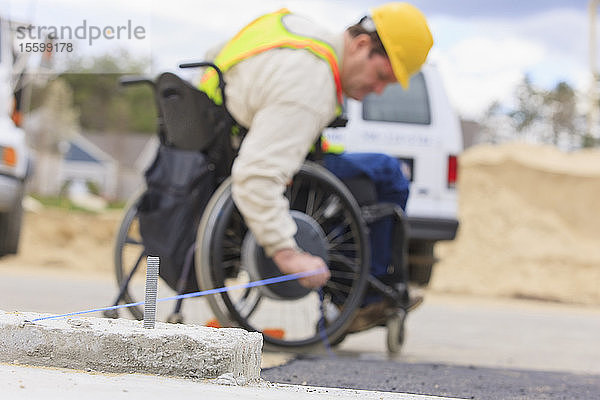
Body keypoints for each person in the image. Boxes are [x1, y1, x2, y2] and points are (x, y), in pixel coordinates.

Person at [198, 3, 433, 330]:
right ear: (361, 45)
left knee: (359, 170)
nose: (377, 91)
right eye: (381, 77)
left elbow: (214, 54)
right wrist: (287, 252)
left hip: (221, 143)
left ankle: (354, 291)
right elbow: (255, 177)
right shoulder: (311, 82)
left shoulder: (292, 29)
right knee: (385, 172)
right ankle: (363, 298)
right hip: (276, 171)